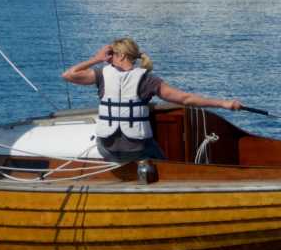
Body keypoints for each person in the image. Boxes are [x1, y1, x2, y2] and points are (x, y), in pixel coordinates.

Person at [61, 38, 242, 162]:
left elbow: (68, 75)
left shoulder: (101, 74)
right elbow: (185, 99)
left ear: (122, 56)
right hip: (136, 150)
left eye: (111, 54)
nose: (108, 59)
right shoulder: (147, 80)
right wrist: (224, 103)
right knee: (163, 160)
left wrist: (96, 59)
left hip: (106, 147)